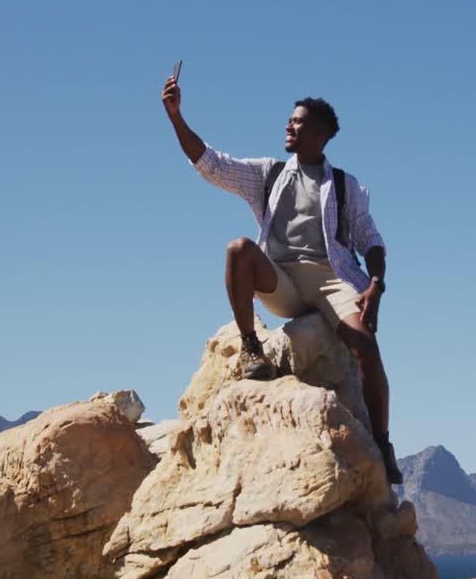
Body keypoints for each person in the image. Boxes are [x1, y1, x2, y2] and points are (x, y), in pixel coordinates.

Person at [161, 73, 403, 484]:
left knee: (366, 346)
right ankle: (253, 350)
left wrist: (376, 283)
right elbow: (210, 163)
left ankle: (382, 443)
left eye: (298, 122)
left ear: (322, 135)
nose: (288, 127)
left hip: (332, 279)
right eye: (289, 120)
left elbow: (370, 240)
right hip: (282, 281)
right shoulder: (269, 174)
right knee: (238, 249)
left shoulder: (345, 186)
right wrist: (175, 116)